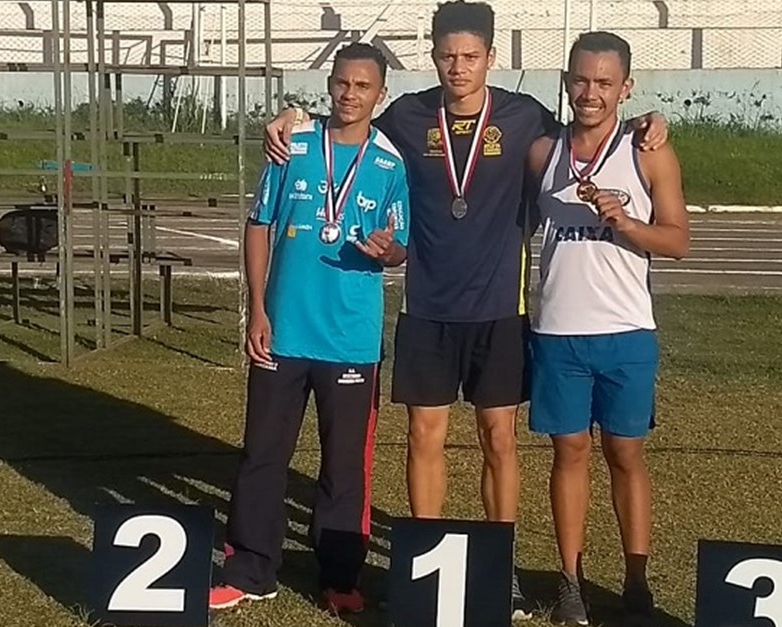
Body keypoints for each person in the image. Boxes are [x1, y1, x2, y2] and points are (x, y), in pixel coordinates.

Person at [263, 2, 669, 618]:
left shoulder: (526, 116)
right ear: (432, 57)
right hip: (426, 309)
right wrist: (295, 115)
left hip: (500, 312)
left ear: (491, 58)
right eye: (447, 55)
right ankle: (427, 563)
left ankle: (498, 565)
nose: (458, 67)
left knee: (498, 439)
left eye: (470, 56)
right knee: (424, 437)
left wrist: (649, 120)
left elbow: (593, 129)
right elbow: (347, 119)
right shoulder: (405, 115)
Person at [208, 42, 410, 616]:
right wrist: (257, 308)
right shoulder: (291, 146)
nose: (350, 95)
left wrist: (389, 251)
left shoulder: (391, 166)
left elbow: (401, 246)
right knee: (262, 455)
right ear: (330, 85)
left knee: (344, 466)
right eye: (342, 84)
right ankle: (251, 568)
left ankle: (340, 579)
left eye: (363, 86)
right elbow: (259, 224)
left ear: (380, 94)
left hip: (351, 339)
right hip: (283, 331)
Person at [525, 31, 690, 626]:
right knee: (568, 454)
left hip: (626, 332)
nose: (589, 93)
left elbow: (678, 241)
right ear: (566, 81)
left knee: (625, 454)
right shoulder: (543, 152)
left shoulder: (648, 151)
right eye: (580, 80)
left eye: (603, 82)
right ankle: (571, 581)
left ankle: (636, 582)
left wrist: (627, 224)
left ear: (627, 87)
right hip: (558, 333)